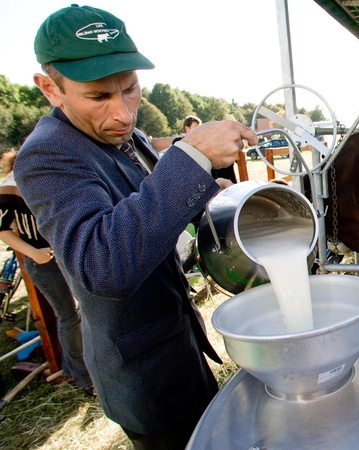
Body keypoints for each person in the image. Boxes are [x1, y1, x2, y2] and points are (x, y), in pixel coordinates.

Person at [14, 5, 257, 449]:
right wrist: (191, 156)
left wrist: (208, 195)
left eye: (130, 89)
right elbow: (104, 264)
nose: (124, 114)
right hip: (143, 372)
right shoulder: (46, 156)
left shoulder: (129, 136)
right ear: (51, 89)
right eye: (99, 98)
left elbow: (143, 213)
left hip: (178, 344)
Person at [0, 150, 95, 397]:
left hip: (63, 253)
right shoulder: (11, 184)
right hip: (43, 260)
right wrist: (33, 253)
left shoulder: (43, 177)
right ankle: (82, 377)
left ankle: (85, 368)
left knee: (84, 311)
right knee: (68, 316)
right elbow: (2, 229)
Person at [175, 115, 238, 185]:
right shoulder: (178, 148)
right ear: (187, 128)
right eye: (196, 128)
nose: (199, 131)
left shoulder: (207, 145)